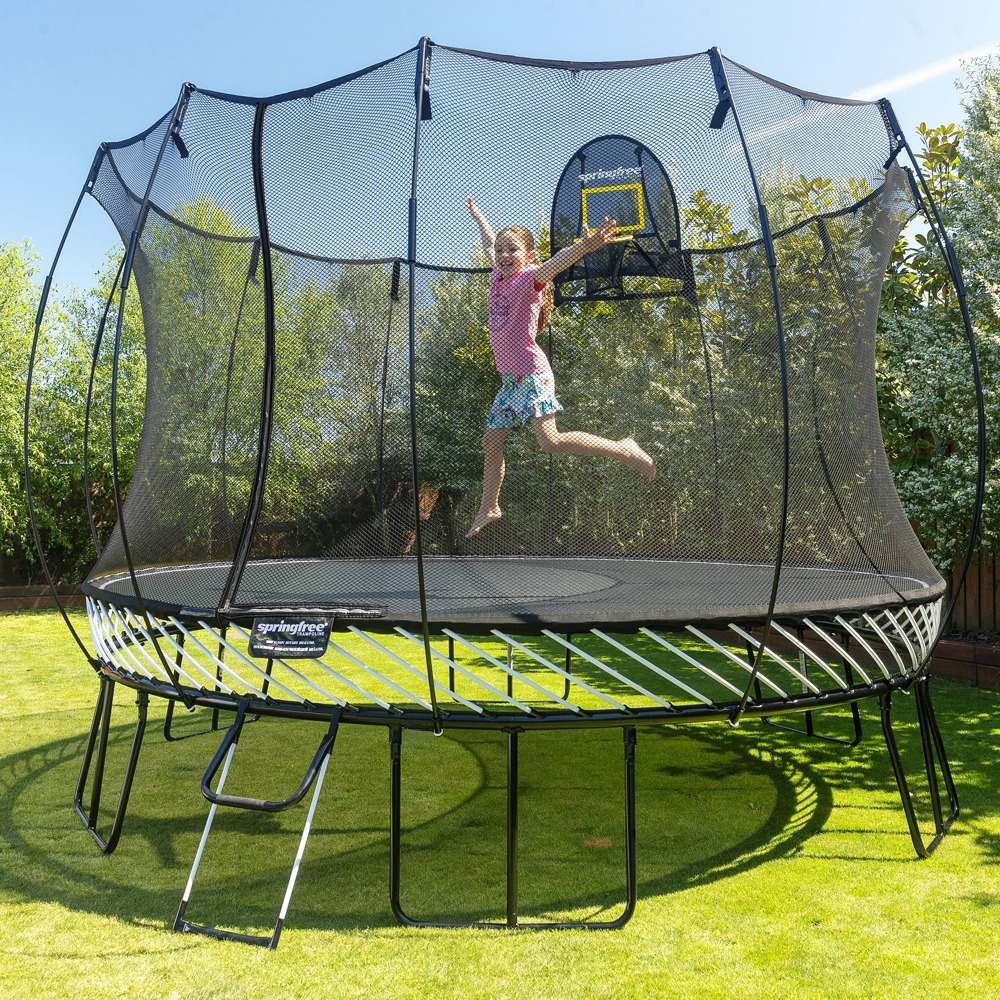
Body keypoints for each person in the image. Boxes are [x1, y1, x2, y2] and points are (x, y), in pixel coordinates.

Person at [464, 196, 656, 539]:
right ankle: (489, 506)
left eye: (512, 251)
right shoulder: (497, 276)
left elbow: (558, 261)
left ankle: (624, 448)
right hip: (510, 383)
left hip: (533, 375)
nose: (504, 256)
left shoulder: (529, 279)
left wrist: (587, 244)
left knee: (550, 442)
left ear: (529, 257)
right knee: (491, 443)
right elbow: (489, 242)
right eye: (501, 251)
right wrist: (480, 218)